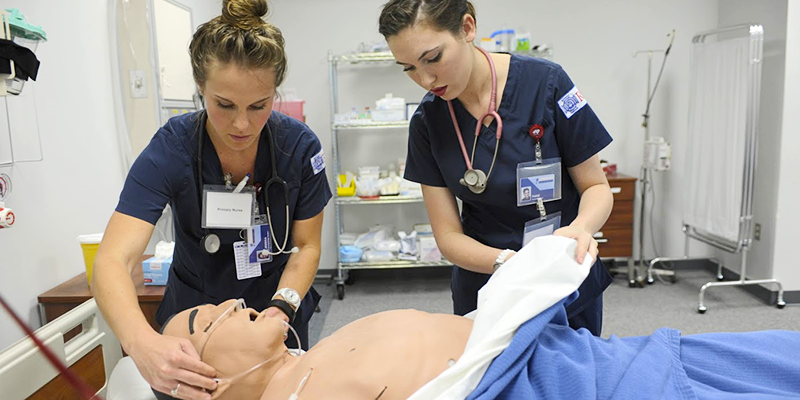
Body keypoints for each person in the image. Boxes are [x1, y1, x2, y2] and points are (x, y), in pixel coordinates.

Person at [156, 236, 800, 400]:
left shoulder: (304, 361)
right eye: (208, 319)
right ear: (203, 382)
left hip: (573, 359)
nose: (235, 301)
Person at [91, 1, 331, 399]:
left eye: (259, 106)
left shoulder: (299, 147)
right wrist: (141, 344)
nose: (242, 124)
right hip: (193, 318)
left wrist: (282, 308)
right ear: (200, 88)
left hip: (273, 312)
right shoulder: (172, 148)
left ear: (276, 92)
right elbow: (112, 260)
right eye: (224, 105)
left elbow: (307, 245)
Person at [378, 0, 615, 335]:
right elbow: (447, 236)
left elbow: (596, 187)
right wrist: (509, 264)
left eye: (433, 58)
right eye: (409, 68)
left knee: (570, 381)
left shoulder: (547, 83)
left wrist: (581, 228)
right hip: (487, 284)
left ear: (468, 28)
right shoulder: (427, 122)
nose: (425, 79)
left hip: (564, 273)